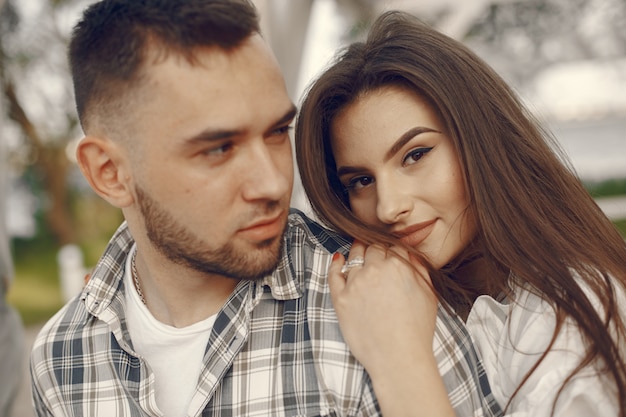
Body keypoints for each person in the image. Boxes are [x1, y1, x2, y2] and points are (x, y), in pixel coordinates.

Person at [30, 1, 503, 416]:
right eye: (218, 148)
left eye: (277, 132)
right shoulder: (60, 358)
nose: (274, 182)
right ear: (110, 173)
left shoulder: (388, 304)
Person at [296, 10, 626, 417]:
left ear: (482, 142)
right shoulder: (411, 298)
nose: (388, 206)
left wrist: (399, 359)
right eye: (360, 181)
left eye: (415, 155)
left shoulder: (571, 314)